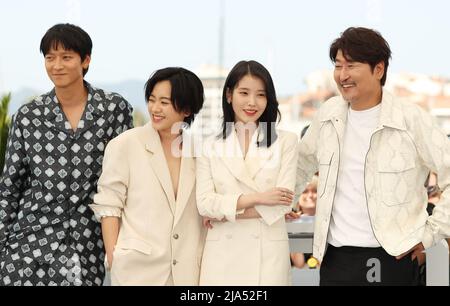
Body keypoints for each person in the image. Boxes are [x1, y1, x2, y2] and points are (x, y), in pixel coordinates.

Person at [295, 27, 450, 286]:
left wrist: (430, 235)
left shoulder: (410, 119)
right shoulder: (328, 114)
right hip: (335, 258)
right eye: (337, 66)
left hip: (392, 256)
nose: (342, 75)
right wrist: (287, 204)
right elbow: (299, 165)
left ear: (378, 69)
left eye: (351, 66)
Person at [0, 23, 133, 286]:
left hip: (88, 247)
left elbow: (127, 179)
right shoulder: (28, 117)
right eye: (50, 58)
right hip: (28, 248)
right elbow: (9, 189)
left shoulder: (113, 109)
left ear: (85, 60)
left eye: (66, 57)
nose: (56, 65)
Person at [89, 67, 205, 286]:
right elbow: (109, 205)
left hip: (189, 273)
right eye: (152, 100)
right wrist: (115, 258)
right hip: (137, 271)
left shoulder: (200, 151)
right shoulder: (125, 144)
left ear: (187, 109)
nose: (155, 108)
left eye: (165, 102)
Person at [196, 60, 298, 285]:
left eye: (261, 95)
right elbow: (204, 204)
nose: (252, 102)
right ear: (229, 95)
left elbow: (283, 204)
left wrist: (223, 212)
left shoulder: (286, 142)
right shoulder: (209, 146)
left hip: (267, 258)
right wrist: (259, 198)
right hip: (221, 258)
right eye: (244, 93)